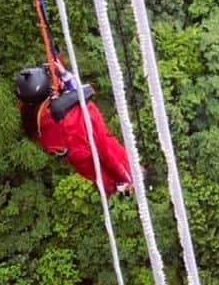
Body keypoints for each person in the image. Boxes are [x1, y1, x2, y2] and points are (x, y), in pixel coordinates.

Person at [14, 65, 134, 196]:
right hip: (83, 149)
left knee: (103, 175)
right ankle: (125, 181)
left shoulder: (32, 114)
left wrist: (63, 78)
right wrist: (126, 176)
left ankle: (120, 183)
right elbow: (102, 143)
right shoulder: (63, 117)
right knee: (108, 161)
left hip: (77, 155)